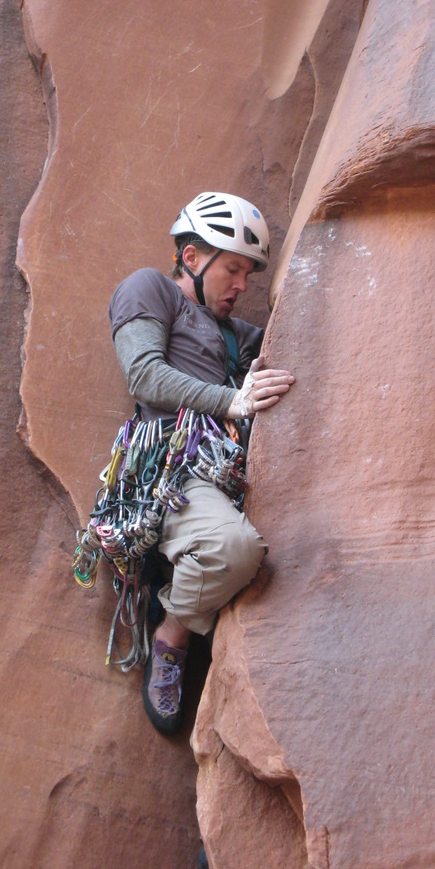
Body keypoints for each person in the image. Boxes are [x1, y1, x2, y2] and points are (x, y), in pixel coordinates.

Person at [108, 191, 295, 734]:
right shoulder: (148, 289)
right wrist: (232, 399)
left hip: (230, 472)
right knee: (233, 546)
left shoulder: (239, 337)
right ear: (192, 258)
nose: (242, 286)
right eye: (233, 269)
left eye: (248, 275)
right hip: (171, 469)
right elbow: (143, 376)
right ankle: (172, 637)